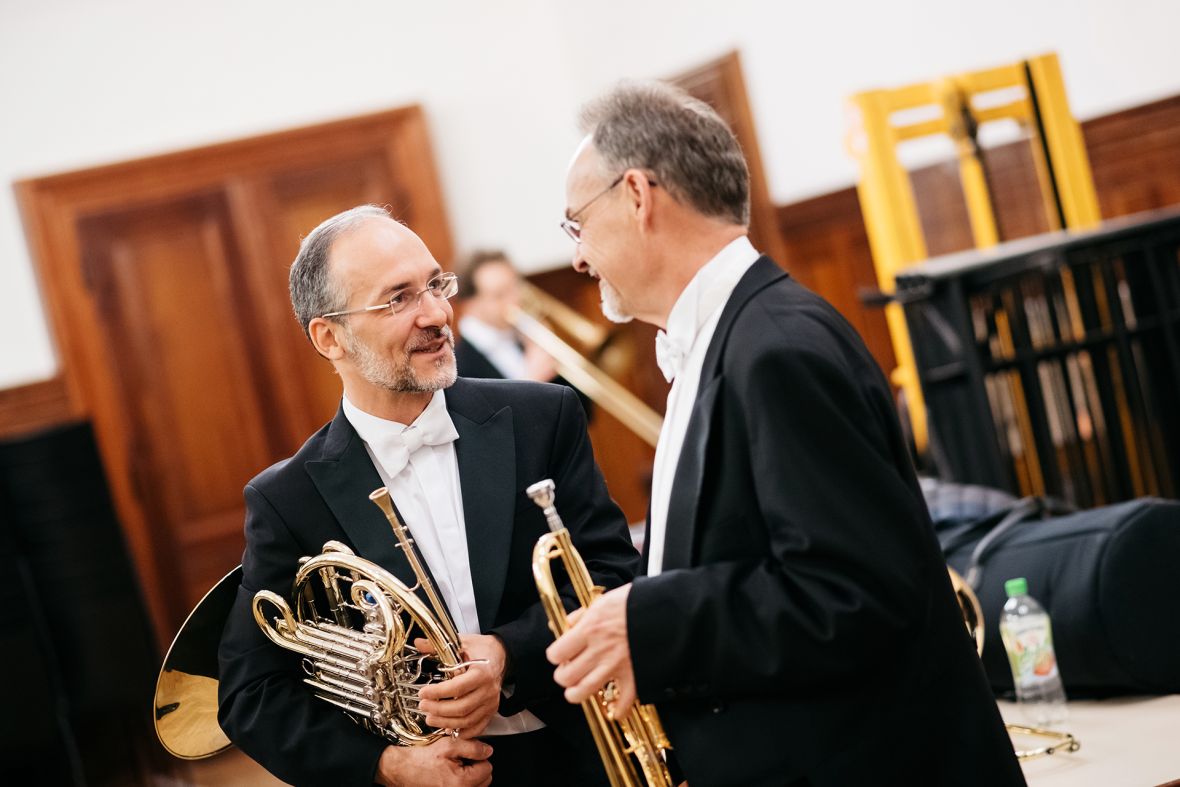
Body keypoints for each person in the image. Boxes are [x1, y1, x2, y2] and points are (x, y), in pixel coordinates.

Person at [545, 82, 1026, 786]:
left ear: (639, 195)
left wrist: (650, 624)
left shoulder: (775, 349)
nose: (579, 258)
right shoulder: (730, 341)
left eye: (576, 224)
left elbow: (854, 592)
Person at [217, 205, 639, 787]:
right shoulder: (288, 498)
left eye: (436, 285)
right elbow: (251, 694)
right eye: (398, 298)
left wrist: (507, 653)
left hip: (587, 758)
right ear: (328, 337)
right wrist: (387, 766)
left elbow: (612, 572)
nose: (437, 314)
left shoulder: (543, 416)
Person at [453, 250, 555, 383]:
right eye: (499, 295)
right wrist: (533, 380)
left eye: (515, 287)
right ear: (470, 306)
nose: (515, 299)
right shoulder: (459, 367)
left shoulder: (525, 333)